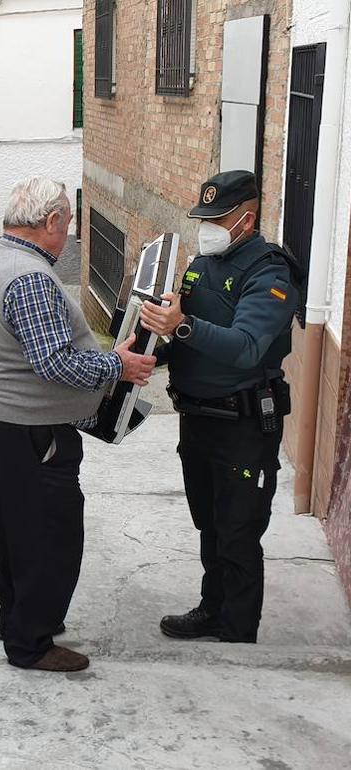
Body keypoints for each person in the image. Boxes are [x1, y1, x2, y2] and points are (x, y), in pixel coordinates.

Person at [0, 177, 156, 671]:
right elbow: (55, 363)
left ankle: (16, 620)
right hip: (32, 429)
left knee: (17, 528)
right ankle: (30, 643)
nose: (71, 234)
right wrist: (118, 365)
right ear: (51, 221)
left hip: (9, 421)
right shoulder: (29, 277)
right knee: (49, 534)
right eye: (70, 223)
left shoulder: (3, 258)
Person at [140, 170, 301, 644]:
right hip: (199, 420)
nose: (206, 226)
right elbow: (190, 337)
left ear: (246, 219)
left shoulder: (270, 271)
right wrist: (153, 350)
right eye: (203, 217)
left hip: (244, 425)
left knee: (238, 532)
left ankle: (237, 629)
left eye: (217, 218)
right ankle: (213, 609)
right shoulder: (202, 263)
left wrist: (182, 325)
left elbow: (248, 346)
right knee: (209, 524)